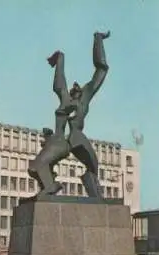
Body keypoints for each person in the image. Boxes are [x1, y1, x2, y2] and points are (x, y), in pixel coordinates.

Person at [28, 31, 110, 198]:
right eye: (73, 88)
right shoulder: (65, 99)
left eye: (77, 88)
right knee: (34, 167)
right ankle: (51, 185)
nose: (75, 88)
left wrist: (98, 39)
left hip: (76, 138)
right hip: (59, 142)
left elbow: (101, 70)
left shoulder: (84, 98)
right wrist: (60, 60)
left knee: (93, 167)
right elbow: (59, 84)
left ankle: (94, 193)